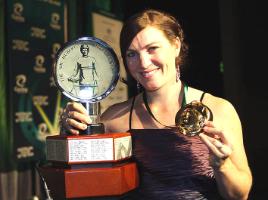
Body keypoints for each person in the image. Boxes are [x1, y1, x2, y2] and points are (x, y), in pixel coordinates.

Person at [60, 9, 252, 200]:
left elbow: (239, 195)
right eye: (132, 54)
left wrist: (223, 165)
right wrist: (70, 132)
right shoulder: (113, 118)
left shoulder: (219, 110)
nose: (143, 63)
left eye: (152, 49)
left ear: (175, 45)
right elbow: (82, 184)